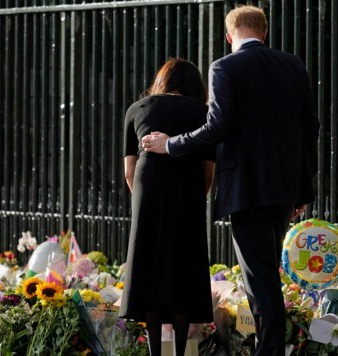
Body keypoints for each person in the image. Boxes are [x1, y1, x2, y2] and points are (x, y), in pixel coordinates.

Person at [142, 5, 319, 355]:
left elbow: (216, 127)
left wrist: (170, 144)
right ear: (264, 32)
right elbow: (309, 127)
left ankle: (267, 351)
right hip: (284, 187)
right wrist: (303, 187)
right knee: (266, 275)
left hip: (246, 188)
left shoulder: (224, 67)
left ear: (228, 36)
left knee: (261, 280)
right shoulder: (293, 65)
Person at [119, 58, 215, 356]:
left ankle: (154, 351)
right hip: (187, 188)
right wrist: (195, 199)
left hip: (148, 188)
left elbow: (129, 170)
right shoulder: (203, 112)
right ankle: (180, 347)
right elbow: (208, 171)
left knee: (149, 266)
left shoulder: (138, 109)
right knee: (183, 267)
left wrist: (143, 201)